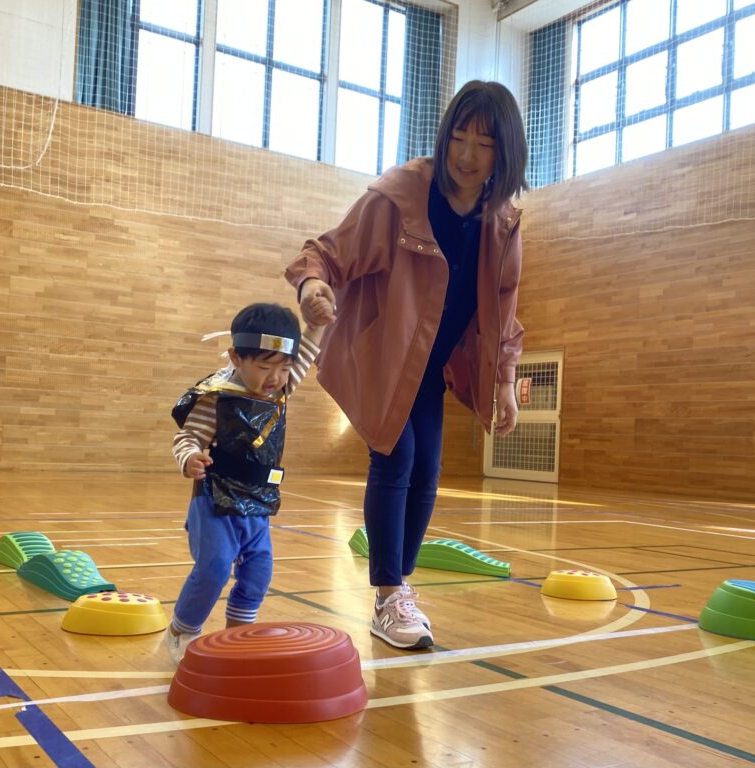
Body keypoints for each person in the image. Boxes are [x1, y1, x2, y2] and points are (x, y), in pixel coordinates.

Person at [285, 80, 527, 650]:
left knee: (428, 472)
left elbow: (505, 310)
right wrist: (312, 285)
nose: (466, 155)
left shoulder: (501, 223)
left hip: (432, 368)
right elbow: (326, 252)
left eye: (484, 144)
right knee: (396, 460)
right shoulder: (398, 198)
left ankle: (398, 590)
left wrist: (505, 383)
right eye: (459, 138)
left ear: (505, 152)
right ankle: (389, 594)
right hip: (385, 357)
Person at [165, 302, 327, 663]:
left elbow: (304, 356)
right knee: (215, 567)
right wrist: (189, 458)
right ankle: (181, 630)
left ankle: (236, 637)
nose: (276, 377)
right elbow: (187, 437)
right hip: (215, 498)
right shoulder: (217, 396)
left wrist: (316, 326)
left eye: (284, 368)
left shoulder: (278, 390)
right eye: (265, 367)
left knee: (258, 572)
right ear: (236, 357)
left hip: (257, 501)